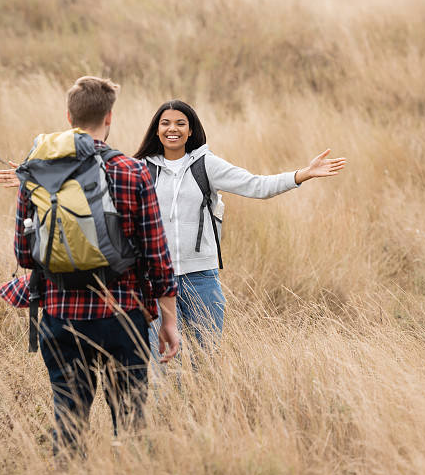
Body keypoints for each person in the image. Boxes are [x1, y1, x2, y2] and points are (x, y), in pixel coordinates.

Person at [0, 76, 179, 453]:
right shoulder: (133, 171)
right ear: (109, 117)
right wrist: (169, 320)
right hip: (122, 315)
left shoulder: (38, 172)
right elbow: (157, 256)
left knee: (69, 419)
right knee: (130, 421)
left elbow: (23, 253)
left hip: (61, 315)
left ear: (68, 116)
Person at [133, 100, 346, 358]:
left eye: (180, 123)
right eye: (165, 123)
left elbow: (256, 185)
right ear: (156, 130)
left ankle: (205, 401)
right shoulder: (141, 169)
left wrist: (303, 174)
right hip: (155, 279)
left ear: (191, 131)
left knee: (206, 362)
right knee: (164, 364)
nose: (172, 129)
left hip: (201, 277)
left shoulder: (206, 165)